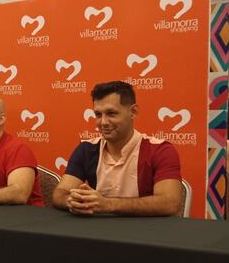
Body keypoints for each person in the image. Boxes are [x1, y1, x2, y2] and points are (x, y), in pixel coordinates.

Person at [52, 81, 182, 216]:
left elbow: (170, 203)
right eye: (98, 114)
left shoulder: (160, 150)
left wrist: (108, 204)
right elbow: (59, 194)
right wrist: (73, 201)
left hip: (146, 233)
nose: (103, 122)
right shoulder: (86, 148)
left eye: (111, 113)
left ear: (133, 112)